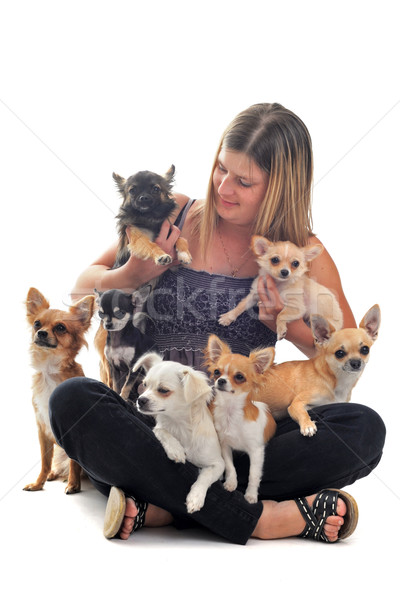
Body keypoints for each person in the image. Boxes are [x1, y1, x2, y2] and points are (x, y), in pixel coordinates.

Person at [49, 102, 385, 545]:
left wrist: (280, 323)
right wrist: (130, 276)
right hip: (154, 424)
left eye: (244, 181)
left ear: (281, 188)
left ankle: (161, 505)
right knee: (72, 399)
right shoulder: (177, 213)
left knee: (362, 428)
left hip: (232, 428)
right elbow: (79, 291)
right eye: (221, 169)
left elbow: (344, 352)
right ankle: (262, 517)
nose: (224, 187)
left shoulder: (299, 251)